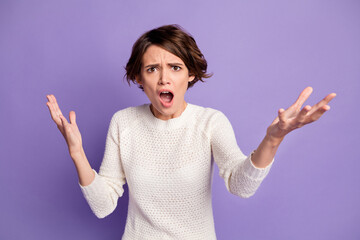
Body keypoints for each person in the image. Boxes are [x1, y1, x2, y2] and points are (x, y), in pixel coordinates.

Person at [46, 24, 336, 239]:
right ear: (138, 77)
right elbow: (103, 206)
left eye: (175, 67)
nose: (164, 79)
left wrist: (273, 139)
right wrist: (76, 153)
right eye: (151, 69)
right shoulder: (124, 122)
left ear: (191, 74)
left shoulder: (210, 122)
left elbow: (240, 185)